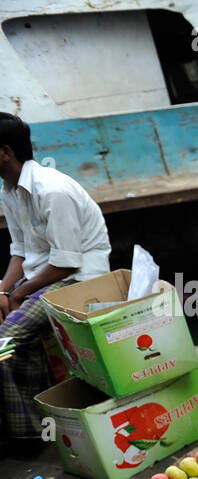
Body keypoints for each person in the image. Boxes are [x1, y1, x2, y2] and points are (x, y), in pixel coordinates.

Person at [0, 113, 111, 443]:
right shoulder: (10, 190)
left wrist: (19, 296)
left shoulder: (52, 190)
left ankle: (26, 435)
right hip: (43, 279)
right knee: (18, 342)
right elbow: (20, 251)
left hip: (78, 280)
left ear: (5, 151)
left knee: (4, 342)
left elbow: (66, 264)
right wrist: (3, 290)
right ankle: (33, 424)